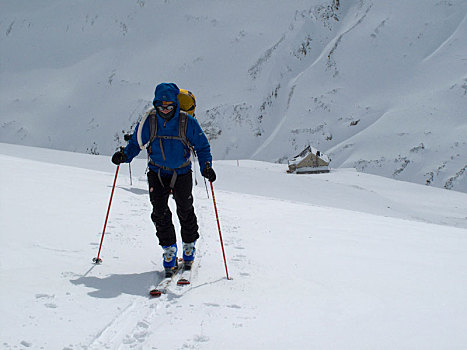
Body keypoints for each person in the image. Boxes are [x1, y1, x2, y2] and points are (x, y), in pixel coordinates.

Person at [111, 82, 216, 277]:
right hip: (157, 172)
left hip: (182, 173)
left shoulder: (186, 122)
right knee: (159, 212)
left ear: (176, 104)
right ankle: (169, 250)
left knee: (185, 209)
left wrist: (206, 167)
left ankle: (189, 246)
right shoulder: (149, 121)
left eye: (169, 106)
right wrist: (125, 156)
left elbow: (202, 146)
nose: (165, 110)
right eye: (161, 106)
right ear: (156, 104)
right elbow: (136, 143)